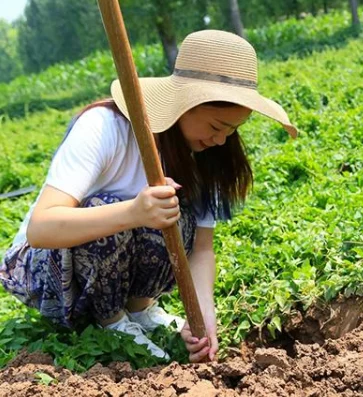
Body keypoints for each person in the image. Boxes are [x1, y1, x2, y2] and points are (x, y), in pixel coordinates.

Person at [0, 30, 297, 363]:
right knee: (110, 209)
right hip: (44, 272)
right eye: (215, 126)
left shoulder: (206, 158)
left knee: (176, 210)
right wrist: (133, 212)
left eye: (231, 131)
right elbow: (41, 229)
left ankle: (140, 310)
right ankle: (110, 322)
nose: (220, 141)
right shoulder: (105, 127)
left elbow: (201, 248)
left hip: (108, 272)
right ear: (186, 105)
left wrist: (204, 314)